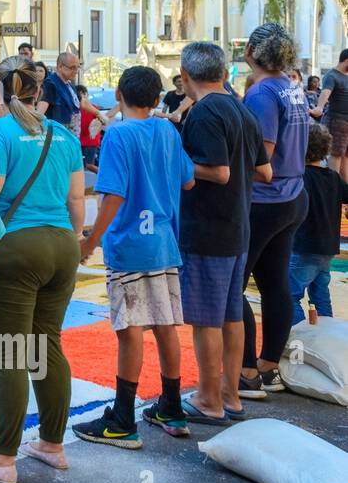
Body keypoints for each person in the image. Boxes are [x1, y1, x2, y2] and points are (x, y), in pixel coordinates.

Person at [0, 56, 85, 483]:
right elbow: (77, 199)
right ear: (39, 92)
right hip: (61, 245)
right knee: (49, 345)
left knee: (9, 353)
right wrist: (72, 240)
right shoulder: (62, 134)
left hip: (17, 247)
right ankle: (52, 445)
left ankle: (3, 459)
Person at [74, 66, 196, 448]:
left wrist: (91, 240)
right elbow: (188, 180)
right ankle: (172, 408)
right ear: (158, 99)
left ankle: (123, 418)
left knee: (129, 333)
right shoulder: (167, 131)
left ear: (118, 94)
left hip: (129, 247)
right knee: (165, 326)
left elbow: (114, 195)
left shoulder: (118, 135)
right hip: (163, 242)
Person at [175, 41, 271, 425]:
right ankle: (231, 396)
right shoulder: (241, 110)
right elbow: (265, 172)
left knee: (206, 319)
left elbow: (218, 172)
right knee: (232, 315)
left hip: (208, 229)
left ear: (186, 75)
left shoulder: (205, 112)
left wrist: (177, 158)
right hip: (237, 227)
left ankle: (209, 399)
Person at [238, 24, 310, 399]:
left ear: (251, 50)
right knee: (274, 283)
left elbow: (261, 156)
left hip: (266, 199)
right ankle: (267, 368)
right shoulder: (292, 87)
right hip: (293, 194)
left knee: (235, 284)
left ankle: (247, 370)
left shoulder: (262, 93)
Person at [288, 124, 345, 326]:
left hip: (304, 246)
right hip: (327, 248)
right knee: (321, 295)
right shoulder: (334, 178)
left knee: (289, 296)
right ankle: (327, 338)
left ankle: (302, 336)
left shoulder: (299, 179)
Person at [37, 51, 106, 138]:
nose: (76, 71)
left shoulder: (69, 85)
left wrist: (98, 114)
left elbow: (82, 103)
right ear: (60, 66)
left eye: (77, 67)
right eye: (72, 67)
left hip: (70, 139)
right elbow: (40, 111)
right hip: (59, 139)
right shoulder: (51, 84)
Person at [310, 49, 348, 181]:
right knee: (336, 156)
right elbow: (325, 93)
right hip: (337, 122)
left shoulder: (346, 76)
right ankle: (334, 191)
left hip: (345, 124)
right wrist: (319, 107)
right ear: (346, 60)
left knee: (345, 158)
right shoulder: (332, 76)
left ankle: (344, 194)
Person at [75, 84, 104, 169]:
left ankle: (102, 176)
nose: (82, 98)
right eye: (79, 95)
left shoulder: (93, 108)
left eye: (84, 94)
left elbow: (102, 121)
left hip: (91, 141)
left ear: (87, 95)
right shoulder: (75, 109)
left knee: (89, 165)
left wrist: (96, 129)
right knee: (78, 165)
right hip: (79, 141)